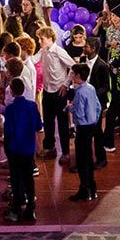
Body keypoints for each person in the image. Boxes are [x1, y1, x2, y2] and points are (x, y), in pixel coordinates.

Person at [3, 76, 42, 222]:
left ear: (12, 92)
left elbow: (8, 130)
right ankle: (31, 208)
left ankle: (16, 209)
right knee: (29, 178)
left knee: (16, 178)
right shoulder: (32, 106)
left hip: (15, 147)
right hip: (28, 147)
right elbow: (38, 125)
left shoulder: (10, 109)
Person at [37, 25, 75, 165]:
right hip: (47, 91)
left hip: (59, 92)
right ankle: (49, 147)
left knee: (63, 123)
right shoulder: (43, 51)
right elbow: (33, 60)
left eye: (41, 39)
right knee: (48, 121)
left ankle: (65, 152)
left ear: (50, 38)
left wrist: (65, 83)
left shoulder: (59, 51)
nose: (39, 41)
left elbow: (73, 66)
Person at [68, 62, 103, 201]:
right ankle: (92, 188)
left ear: (77, 75)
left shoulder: (80, 92)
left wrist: (70, 108)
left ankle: (84, 190)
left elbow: (79, 112)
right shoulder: (91, 88)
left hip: (83, 128)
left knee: (82, 160)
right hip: (92, 125)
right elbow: (98, 107)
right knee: (88, 158)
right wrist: (93, 120)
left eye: (73, 73)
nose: (71, 75)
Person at [83, 40, 112, 166]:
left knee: (96, 131)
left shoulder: (102, 66)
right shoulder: (82, 60)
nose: (84, 48)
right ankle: (85, 159)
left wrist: (92, 93)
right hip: (84, 102)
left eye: (86, 46)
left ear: (93, 48)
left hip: (96, 103)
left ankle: (101, 159)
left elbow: (106, 86)